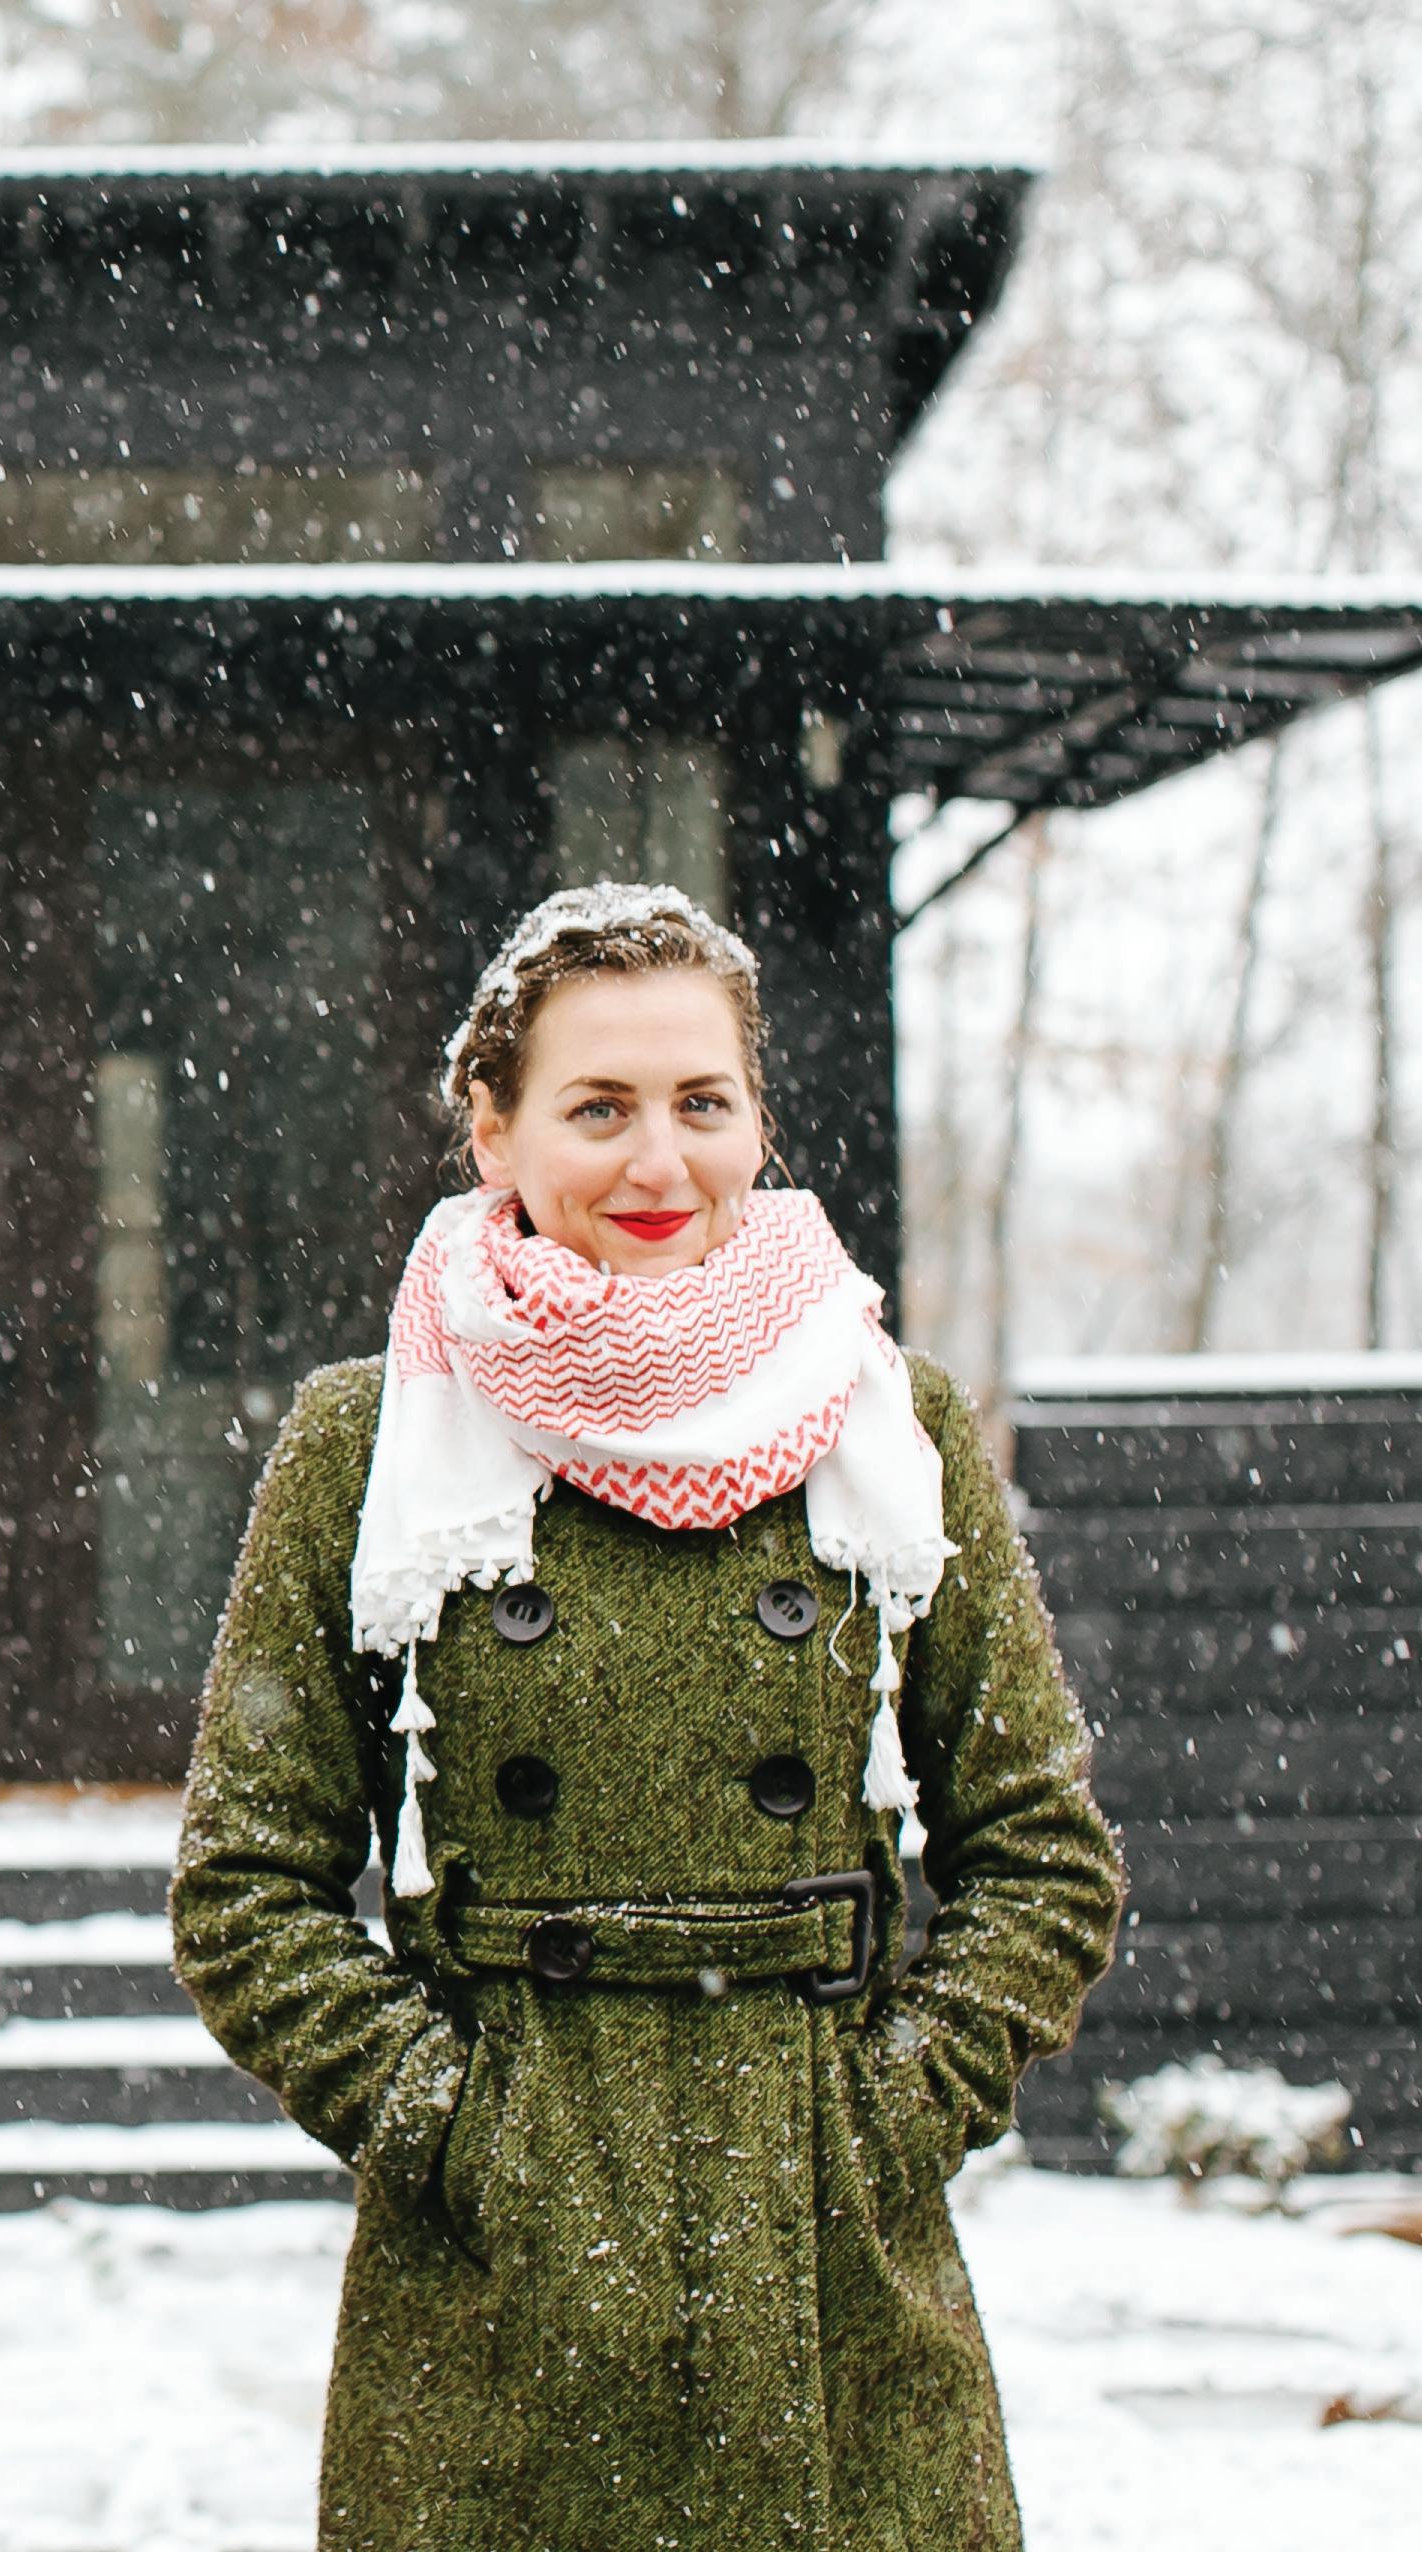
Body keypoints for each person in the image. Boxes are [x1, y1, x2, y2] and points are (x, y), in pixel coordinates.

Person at [172, 882, 1123, 2552]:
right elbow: (244, 1888)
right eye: (597, 1109)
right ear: (493, 1128)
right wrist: (457, 2133)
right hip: (497, 2288)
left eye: (702, 1103)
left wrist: (881, 2118)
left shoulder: (882, 1417)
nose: (657, 1162)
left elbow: (1043, 1856)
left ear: (757, 1122)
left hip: (830, 2266)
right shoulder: (371, 1438)